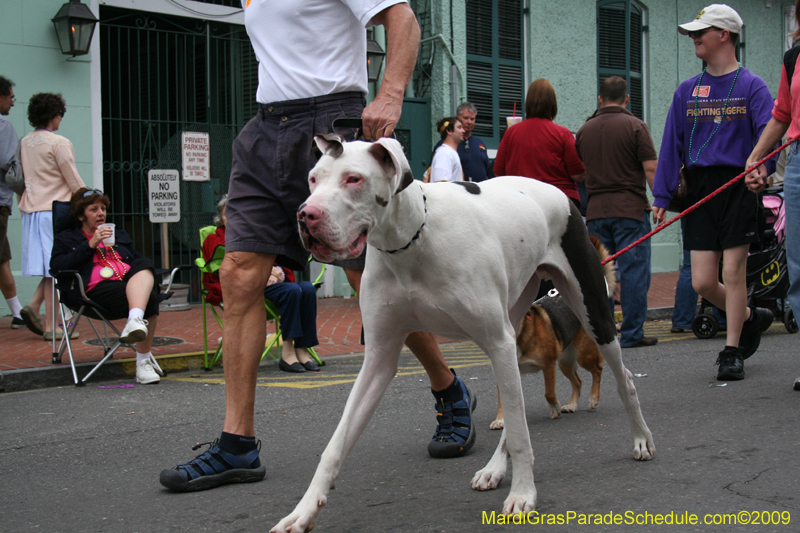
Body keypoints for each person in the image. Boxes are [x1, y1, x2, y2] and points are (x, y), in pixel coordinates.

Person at [160, 0, 476, 494]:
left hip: (333, 124)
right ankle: (237, 444)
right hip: (265, 129)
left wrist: (390, 94)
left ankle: (448, 388)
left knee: (369, 277)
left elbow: (403, 18)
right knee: (238, 272)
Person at [652, 4, 774, 381]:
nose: (694, 37)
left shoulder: (753, 86)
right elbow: (671, 145)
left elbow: (769, 137)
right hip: (700, 188)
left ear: (724, 35)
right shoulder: (687, 90)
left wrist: (763, 170)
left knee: (733, 271)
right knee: (702, 281)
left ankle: (732, 351)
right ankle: (750, 317)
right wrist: (661, 196)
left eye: (700, 31)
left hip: (739, 184)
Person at [576, 76, 658, 349]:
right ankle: (632, 333)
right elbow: (650, 169)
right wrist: (660, 200)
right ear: (627, 98)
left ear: (600, 99)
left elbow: (580, 171)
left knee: (602, 274)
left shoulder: (584, 130)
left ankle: (606, 332)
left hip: (596, 211)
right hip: (630, 210)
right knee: (634, 272)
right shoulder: (636, 127)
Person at [50, 188, 164, 384]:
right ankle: (143, 360)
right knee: (150, 299)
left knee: (145, 264)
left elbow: (137, 262)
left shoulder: (118, 235)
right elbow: (57, 268)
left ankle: (135, 323)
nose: (101, 213)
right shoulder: (67, 239)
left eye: (103, 208)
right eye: (94, 209)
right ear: (80, 215)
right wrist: (91, 244)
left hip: (127, 285)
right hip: (92, 292)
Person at [744, 0, 800, 391]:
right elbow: (782, 113)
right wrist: (755, 158)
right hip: (797, 162)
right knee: (798, 266)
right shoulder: (793, 57)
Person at [202, 195, 321, 373]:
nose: (234, 220)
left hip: (274, 286)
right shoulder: (215, 239)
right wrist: (262, 274)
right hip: (247, 289)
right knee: (292, 291)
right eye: (228, 215)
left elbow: (279, 259)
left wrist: (278, 272)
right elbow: (224, 270)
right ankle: (288, 352)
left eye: (238, 215)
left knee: (307, 288)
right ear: (221, 218)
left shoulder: (257, 235)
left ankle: (302, 349)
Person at [17, 93, 86, 341]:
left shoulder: (25, 142)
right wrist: (89, 199)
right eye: (60, 115)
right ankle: (51, 325)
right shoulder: (59, 143)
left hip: (31, 210)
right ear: (54, 115)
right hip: (55, 211)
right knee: (57, 267)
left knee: (50, 269)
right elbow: (72, 178)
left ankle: (35, 307)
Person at [493, 78, 585, 208]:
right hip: (558, 200)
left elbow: (498, 173)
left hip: (521, 202)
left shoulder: (510, 133)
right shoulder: (563, 134)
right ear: (553, 104)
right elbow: (578, 175)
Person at [0, 76, 25, 329]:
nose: (12, 103)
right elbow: (8, 163)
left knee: (2, 258)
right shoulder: (3, 125)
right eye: (10, 97)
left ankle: (18, 312)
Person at [432, 102, 493, 182]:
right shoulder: (446, 147)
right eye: (466, 118)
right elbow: (436, 177)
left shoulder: (480, 143)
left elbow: (489, 171)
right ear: (457, 118)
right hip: (458, 188)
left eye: (472, 119)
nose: (469, 122)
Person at [429, 116, 464, 183]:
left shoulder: (448, 152)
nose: (463, 131)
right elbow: (442, 183)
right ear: (449, 131)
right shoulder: (445, 153)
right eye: (459, 127)